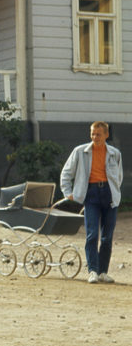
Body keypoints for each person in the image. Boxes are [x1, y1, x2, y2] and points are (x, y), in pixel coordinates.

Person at [60, 120, 124, 284]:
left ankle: (103, 272)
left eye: (98, 134)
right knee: (92, 234)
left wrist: (114, 191)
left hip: (109, 195)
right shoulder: (80, 151)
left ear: (106, 135)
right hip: (91, 195)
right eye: (92, 134)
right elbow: (66, 173)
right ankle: (93, 271)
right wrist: (68, 192)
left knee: (107, 237)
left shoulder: (115, 153)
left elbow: (119, 176)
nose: (95, 137)